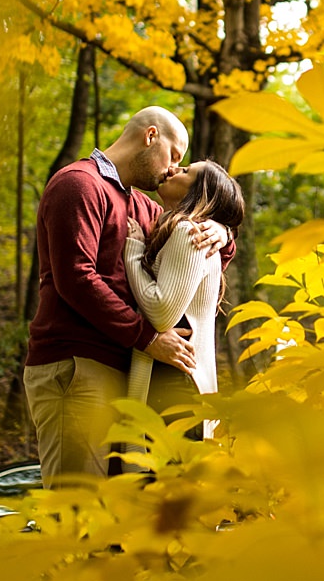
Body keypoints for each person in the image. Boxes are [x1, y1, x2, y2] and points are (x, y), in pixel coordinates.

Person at [23, 106, 231, 487]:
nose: (172, 169)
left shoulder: (140, 206)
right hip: (77, 365)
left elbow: (190, 250)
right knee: (78, 510)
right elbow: (76, 277)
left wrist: (221, 231)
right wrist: (147, 338)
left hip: (124, 372)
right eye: (174, 156)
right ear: (151, 136)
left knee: (120, 521)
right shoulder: (79, 184)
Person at [122, 160, 246, 443]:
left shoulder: (189, 233)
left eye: (186, 171)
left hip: (174, 385)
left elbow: (161, 312)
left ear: (200, 194)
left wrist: (133, 250)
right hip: (175, 383)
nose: (173, 170)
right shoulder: (186, 231)